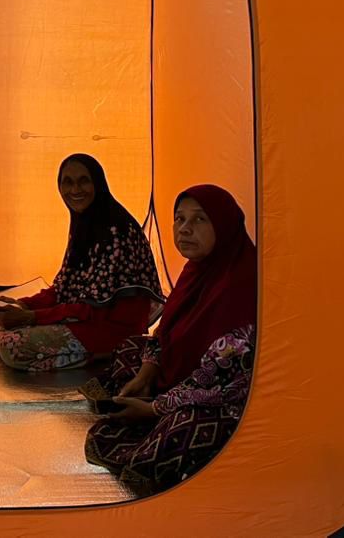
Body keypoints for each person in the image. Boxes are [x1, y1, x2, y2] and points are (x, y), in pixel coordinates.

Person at [82, 184, 257, 493]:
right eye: (179, 218)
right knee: (131, 347)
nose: (184, 229)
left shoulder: (243, 284)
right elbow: (165, 332)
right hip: (182, 380)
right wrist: (146, 374)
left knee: (188, 428)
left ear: (224, 225)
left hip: (225, 400)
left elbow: (223, 380)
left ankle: (149, 432)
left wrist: (154, 408)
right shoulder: (196, 271)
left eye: (200, 219)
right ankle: (141, 403)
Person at [0, 153, 165, 372]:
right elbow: (64, 288)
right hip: (83, 318)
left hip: (111, 328)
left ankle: (106, 354)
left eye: (83, 181)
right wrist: (22, 305)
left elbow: (94, 309)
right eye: (67, 182)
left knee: (13, 346)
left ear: (98, 184)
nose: (75, 190)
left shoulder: (115, 232)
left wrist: (31, 317)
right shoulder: (85, 223)